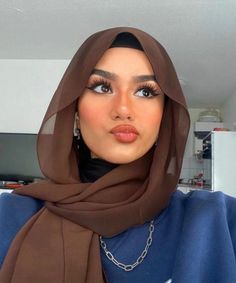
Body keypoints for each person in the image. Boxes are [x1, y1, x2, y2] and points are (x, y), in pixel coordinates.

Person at [0, 27, 236, 283]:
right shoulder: (11, 215)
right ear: (75, 110)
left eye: (145, 92)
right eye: (102, 87)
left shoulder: (214, 221)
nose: (123, 109)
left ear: (163, 116)